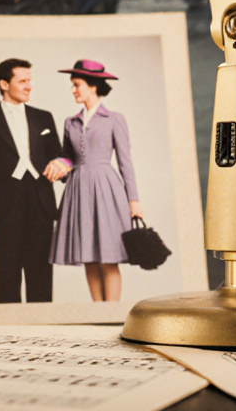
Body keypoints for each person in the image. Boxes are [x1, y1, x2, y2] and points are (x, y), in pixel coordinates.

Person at [0, 59, 70, 304]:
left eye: (30, 80)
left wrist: (63, 165)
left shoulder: (44, 117)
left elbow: (60, 155)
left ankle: (43, 335)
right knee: (8, 273)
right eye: (23, 81)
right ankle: (9, 336)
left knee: (41, 274)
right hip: (3, 206)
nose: (29, 86)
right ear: (4, 84)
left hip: (41, 203)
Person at [49, 59, 142, 302]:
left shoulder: (114, 119)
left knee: (108, 259)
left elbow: (125, 162)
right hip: (77, 190)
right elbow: (68, 157)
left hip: (106, 190)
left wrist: (134, 200)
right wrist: (61, 165)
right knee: (88, 256)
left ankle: (112, 315)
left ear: (93, 86)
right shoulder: (70, 122)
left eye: (76, 84)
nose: (73, 90)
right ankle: (97, 311)